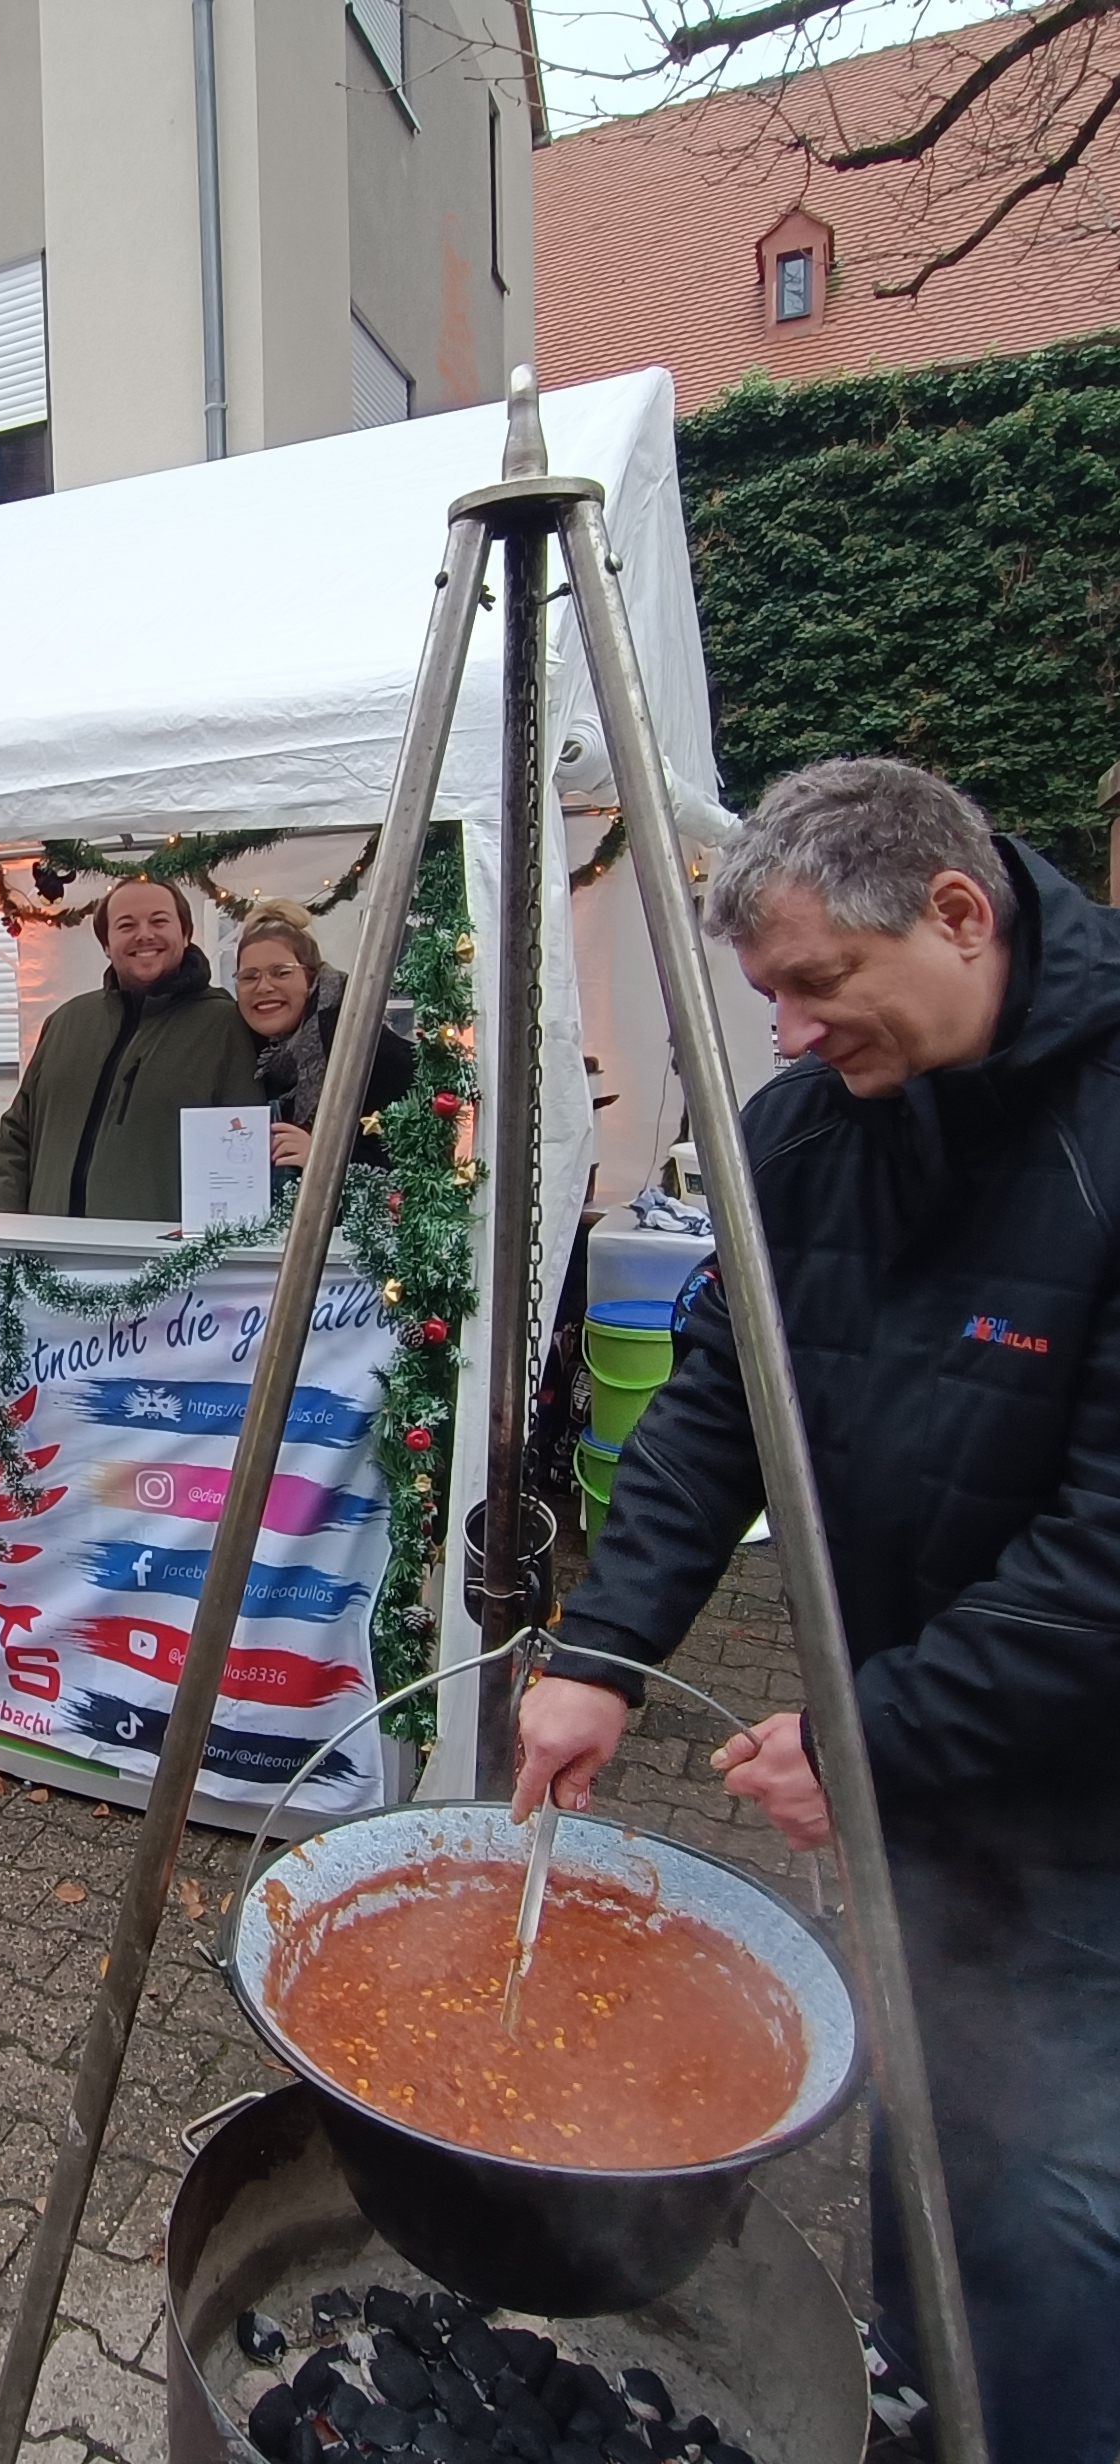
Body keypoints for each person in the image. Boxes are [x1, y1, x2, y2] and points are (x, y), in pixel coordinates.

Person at [509, 759, 1120, 2464]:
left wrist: (874, 1725)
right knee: (922, 2118)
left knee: (1059, 2171)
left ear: (950, 913)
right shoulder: (800, 1130)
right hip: (902, 1757)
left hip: (1079, 1797)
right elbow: (719, 1402)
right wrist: (598, 1653)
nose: (776, 1031)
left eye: (806, 983)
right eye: (762, 990)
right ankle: (925, 2414)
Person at [0, 877, 256, 1217]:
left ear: (186, 935)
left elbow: (247, 1152)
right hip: (51, 1254)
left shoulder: (226, 1027)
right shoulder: (66, 1023)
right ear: (107, 945)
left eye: (159, 921)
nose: (144, 934)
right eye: (126, 925)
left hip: (164, 1261)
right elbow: (18, 1137)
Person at [231, 900, 416, 1187]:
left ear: (310, 977)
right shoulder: (250, 1051)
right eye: (249, 976)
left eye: (281, 972)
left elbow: (413, 1158)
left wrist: (323, 1158)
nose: (263, 986)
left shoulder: (361, 1043)